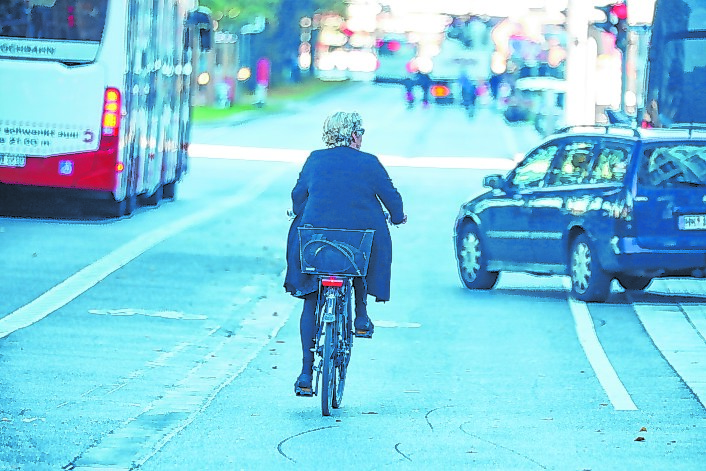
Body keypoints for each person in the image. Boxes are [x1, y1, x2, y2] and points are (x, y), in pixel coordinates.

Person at [284, 111, 407, 396]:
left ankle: (305, 373)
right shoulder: (369, 163)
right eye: (361, 132)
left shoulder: (315, 159)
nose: (362, 137)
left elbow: (298, 195)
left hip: (316, 242)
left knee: (310, 299)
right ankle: (361, 316)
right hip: (355, 243)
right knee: (362, 251)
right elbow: (391, 198)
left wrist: (300, 208)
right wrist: (398, 217)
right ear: (353, 135)